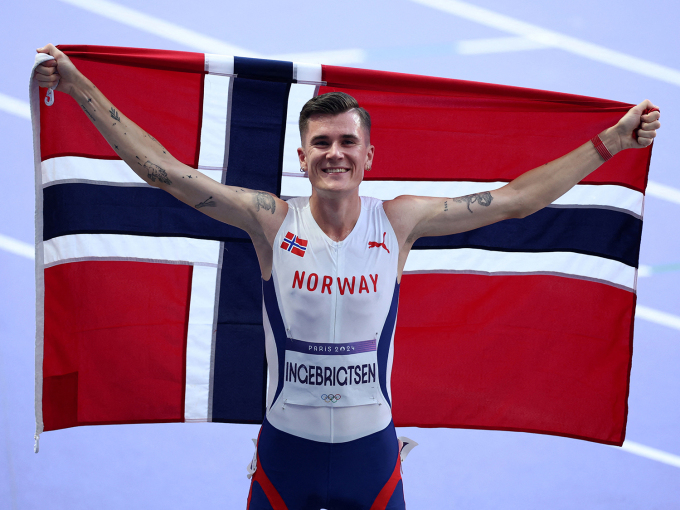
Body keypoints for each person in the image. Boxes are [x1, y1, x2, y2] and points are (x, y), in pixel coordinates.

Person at [35, 43, 660, 510]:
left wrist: (609, 143)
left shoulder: (401, 222)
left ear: (368, 155)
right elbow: (167, 174)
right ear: (302, 156)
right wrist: (79, 84)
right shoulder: (270, 221)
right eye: (322, 142)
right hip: (286, 460)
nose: (336, 152)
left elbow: (516, 200)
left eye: (347, 142)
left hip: (372, 464)